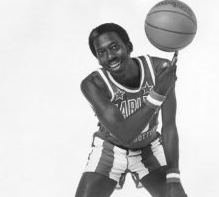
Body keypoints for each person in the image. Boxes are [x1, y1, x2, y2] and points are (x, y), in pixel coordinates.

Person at [76, 23, 187, 197]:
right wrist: (157, 93)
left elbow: (169, 126)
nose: (110, 56)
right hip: (109, 150)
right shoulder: (92, 85)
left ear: (128, 47)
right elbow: (125, 134)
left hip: (148, 148)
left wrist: (174, 176)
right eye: (101, 53)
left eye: (114, 47)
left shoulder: (159, 70)